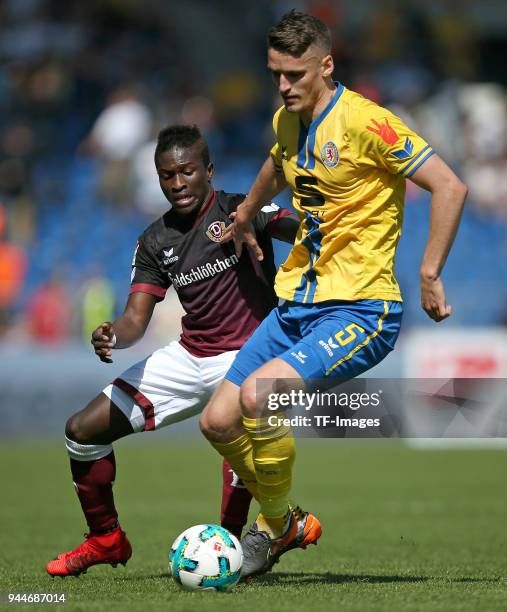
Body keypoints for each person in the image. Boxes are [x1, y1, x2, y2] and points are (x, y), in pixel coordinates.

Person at [200, 10, 468, 578]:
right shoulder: (287, 121)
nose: (284, 85)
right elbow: (277, 163)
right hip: (297, 303)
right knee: (218, 422)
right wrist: (246, 212)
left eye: (295, 74)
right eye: (276, 73)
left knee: (261, 397)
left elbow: (449, 184)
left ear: (326, 64)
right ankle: (286, 521)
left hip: (364, 308)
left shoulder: (369, 123)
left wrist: (428, 272)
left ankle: (269, 532)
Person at [46, 124, 299, 577]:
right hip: (189, 355)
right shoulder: (154, 240)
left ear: (209, 170)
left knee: (238, 431)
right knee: (82, 431)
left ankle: (234, 543)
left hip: (251, 355)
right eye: (167, 175)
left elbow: (299, 228)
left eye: (187, 172)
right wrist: (113, 334)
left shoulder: (242, 209)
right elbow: (135, 321)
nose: (178, 184)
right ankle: (106, 539)